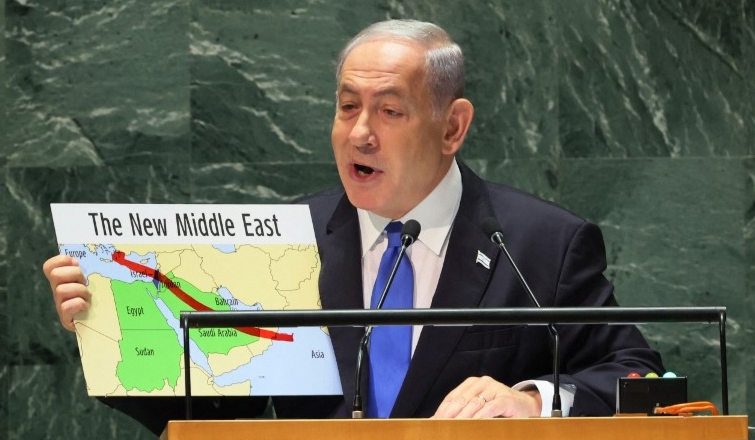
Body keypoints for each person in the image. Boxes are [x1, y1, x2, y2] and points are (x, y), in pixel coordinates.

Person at [43, 19, 663, 432]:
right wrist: (110, 330)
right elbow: (212, 408)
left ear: (452, 127)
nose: (359, 132)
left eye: (389, 110)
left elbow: (640, 375)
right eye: (346, 107)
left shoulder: (539, 243)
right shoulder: (287, 240)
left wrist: (531, 401)